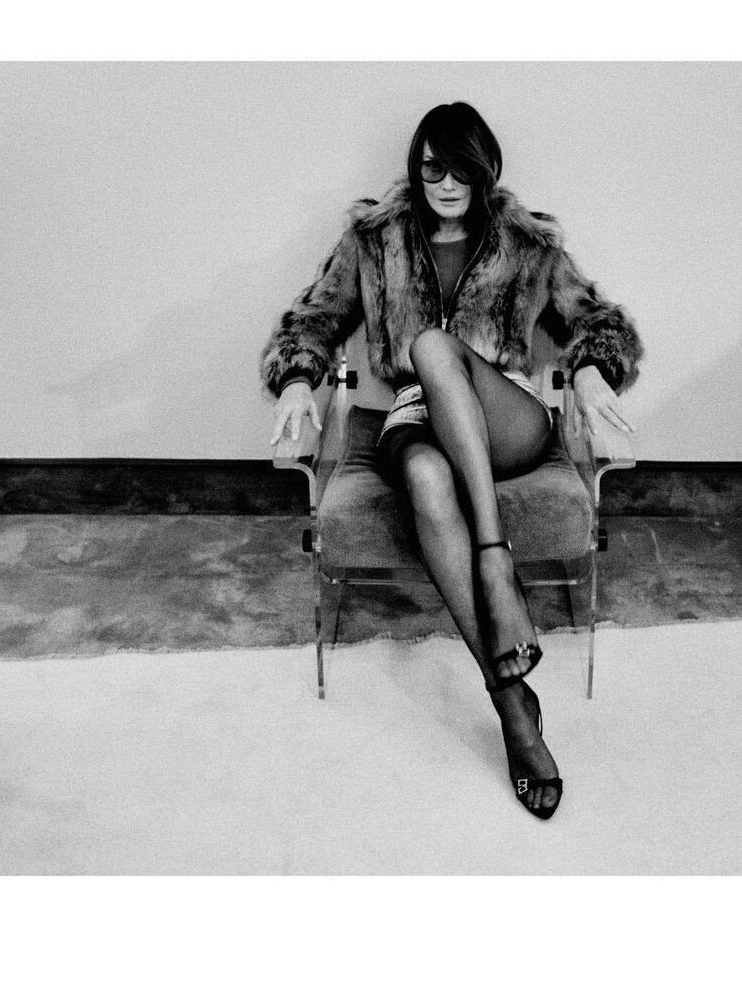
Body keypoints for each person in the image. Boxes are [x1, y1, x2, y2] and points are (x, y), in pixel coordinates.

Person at [259, 102, 644, 819]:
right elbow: (313, 318)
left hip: (506, 419)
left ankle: (493, 558)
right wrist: (297, 379)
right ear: (417, 169)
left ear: (482, 169)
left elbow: (596, 319)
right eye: (431, 168)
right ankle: (512, 702)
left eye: (459, 170)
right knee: (426, 473)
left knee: (433, 346)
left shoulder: (527, 244)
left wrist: (592, 368)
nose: (444, 184)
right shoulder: (374, 240)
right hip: (413, 417)